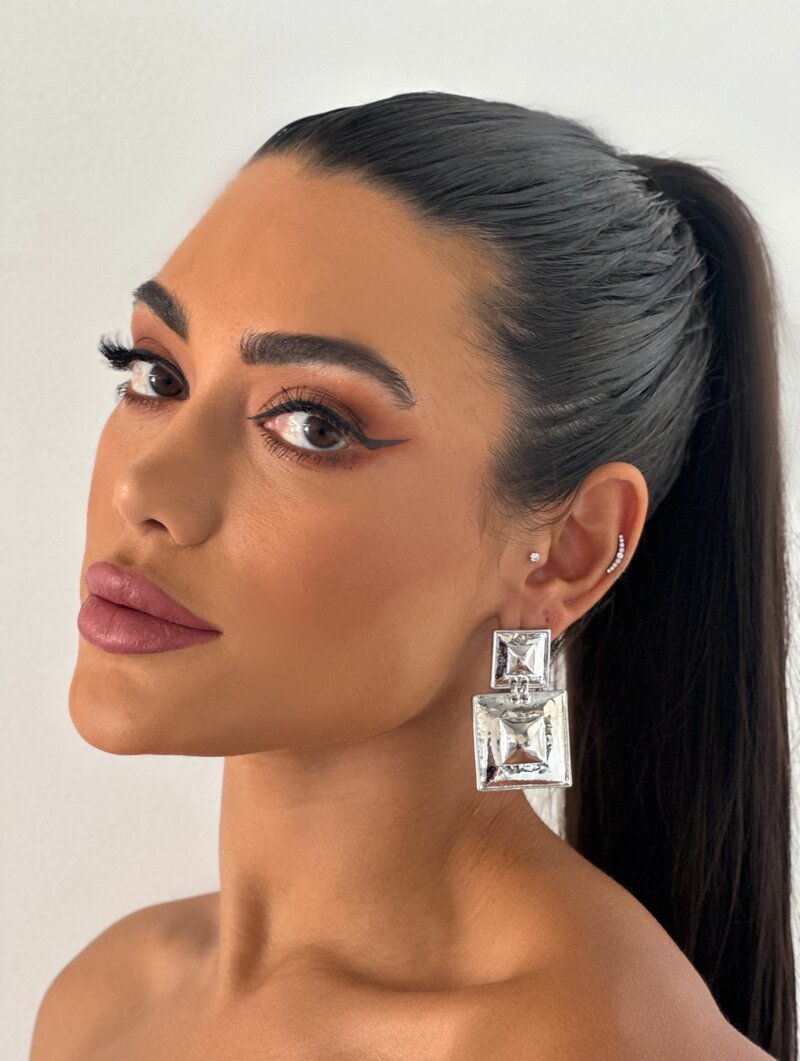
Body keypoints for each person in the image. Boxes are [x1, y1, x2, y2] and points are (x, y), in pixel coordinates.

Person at [30, 91, 794, 1060]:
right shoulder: (105, 996)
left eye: (313, 424)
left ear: (568, 549)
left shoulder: (592, 1039)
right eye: (156, 374)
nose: (143, 488)